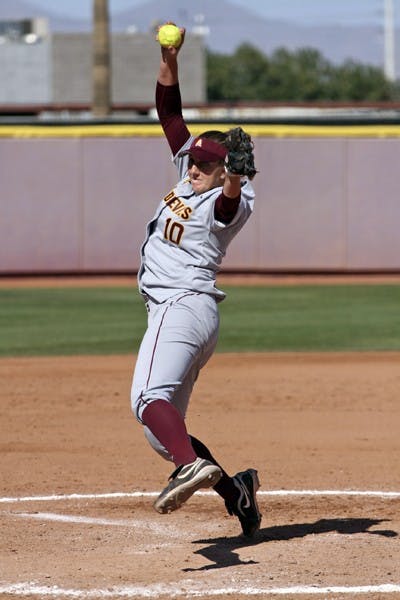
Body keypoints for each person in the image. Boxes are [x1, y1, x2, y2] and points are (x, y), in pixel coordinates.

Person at [130, 25, 261, 537]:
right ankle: (238, 492)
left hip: (180, 305)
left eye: (210, 163)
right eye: (199, 160)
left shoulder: (228, 199)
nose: (198, 167)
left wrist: (233, 176)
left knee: (146, 398)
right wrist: (169, 57)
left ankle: (188, 468)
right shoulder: (189, 173)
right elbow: (169, 111)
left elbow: (228, 203)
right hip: (187, 313)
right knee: (164, 433)